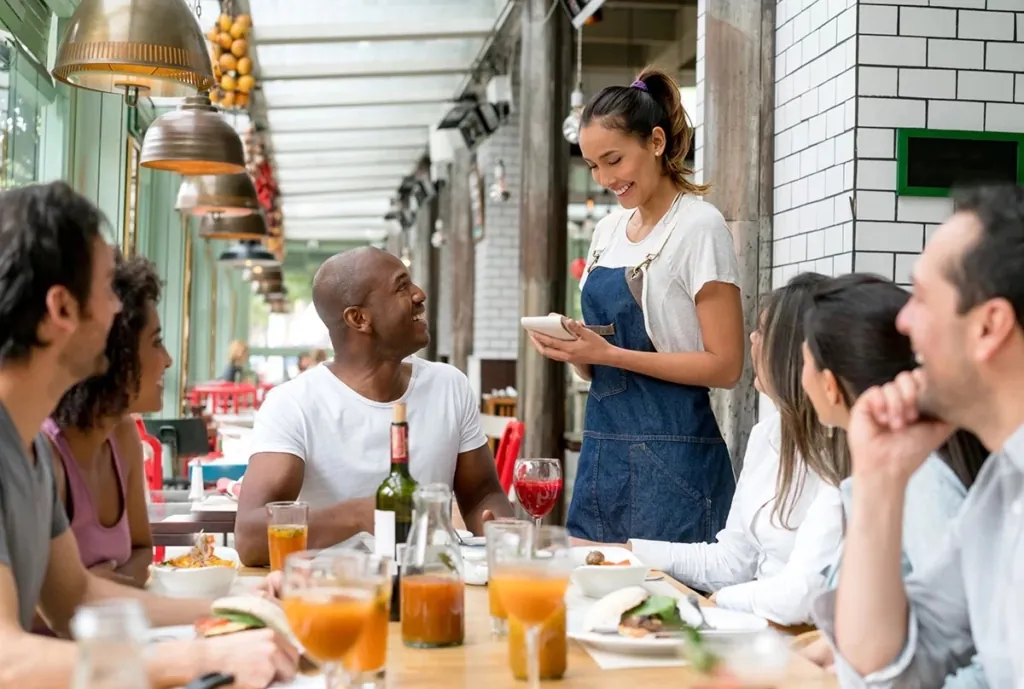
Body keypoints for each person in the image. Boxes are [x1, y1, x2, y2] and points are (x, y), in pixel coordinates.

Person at [0, 182, 297, 688]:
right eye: (107, 291)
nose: (118, 311)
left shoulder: (23, 447)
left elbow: (77, 601)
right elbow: (6, 661)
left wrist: (236, 608)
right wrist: (197, 660)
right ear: (61, 310)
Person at [812, 184, 1024, 688]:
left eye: (922, 297)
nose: (903, 321)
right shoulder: (1002, 486)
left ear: (989, 326)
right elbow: (882, 668)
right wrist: (880, 478)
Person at [529, 67, 743, 544]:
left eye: (613, 160)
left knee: (671, 610)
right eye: (592, 166)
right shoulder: (606, 233)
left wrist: (609, 356)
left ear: (656, 142)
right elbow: (602, 361)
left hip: (678, 463)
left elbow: (727, 366)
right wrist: (577, 351)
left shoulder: (698, 227)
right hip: (604, 451)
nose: (605, 179)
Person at [576, 273, 846, 625]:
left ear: (794, 353)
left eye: (763, 331)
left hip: (801, 636)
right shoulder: (767, 435)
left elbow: (802, 595)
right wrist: (626, 552)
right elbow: (731, 561)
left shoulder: (841, 454)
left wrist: (720, 601)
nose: (752, 338)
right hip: (755, 623)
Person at [235, 247, 514, 566]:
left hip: (429, 588)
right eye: (401, 286)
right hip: (331, 598)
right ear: (358, 318)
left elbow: (480, 492)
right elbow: (250, 539)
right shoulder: (294, 404)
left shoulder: (449, 385)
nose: (419, 294)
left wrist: (504, 540)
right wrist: (358, 514)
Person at [798, 274, 988, 684]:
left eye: (802, 362)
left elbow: (977, 653)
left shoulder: (923, 484)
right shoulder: (900, 471)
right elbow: (899, 650)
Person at [42, 254, 171, 591]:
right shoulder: (44, 453)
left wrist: (103, 588)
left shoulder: (123, 435)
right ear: (119, 354)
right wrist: (94, 592)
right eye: (156, 342)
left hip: (111, 632)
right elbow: (30, 607)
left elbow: (143, 549)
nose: (168, 360)